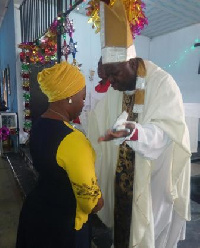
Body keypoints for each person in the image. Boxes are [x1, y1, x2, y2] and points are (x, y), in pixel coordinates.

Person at [87, 0, 191, 247]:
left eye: (115, 74)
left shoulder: (162, 84)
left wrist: (136, 133)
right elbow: (99, 121)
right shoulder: (117, 87)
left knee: (149, 232)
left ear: (132, 63)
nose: (111, 82)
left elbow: (169, 133)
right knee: (123, 226)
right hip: (122, 178)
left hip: (153, 178)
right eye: (107, 76)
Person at [16, 61, 104, 248]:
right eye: (82, 97)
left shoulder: (39, 125)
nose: (83, 103)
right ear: (70, 97)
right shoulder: (73, 140)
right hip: (64, 227)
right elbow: (91, 203)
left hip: (37, 212)